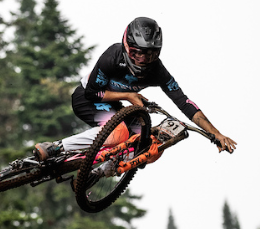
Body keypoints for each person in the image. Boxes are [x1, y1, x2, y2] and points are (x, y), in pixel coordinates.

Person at [33, 17, 237, 161]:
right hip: (87, 98)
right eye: (137, 52)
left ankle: (105, 168)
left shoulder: (158, 71)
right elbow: (91, 93)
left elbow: (184, 103)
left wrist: (216, 133)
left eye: (150, 54)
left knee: (151, 146)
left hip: (114, 104)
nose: (143, 59)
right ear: (126, 44)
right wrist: (129, 95)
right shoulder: (112, 57)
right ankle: (56, 147)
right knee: (119, 132)